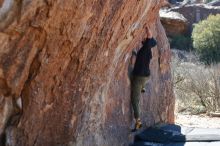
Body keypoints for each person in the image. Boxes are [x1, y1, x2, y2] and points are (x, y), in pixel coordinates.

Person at [131, 28, 157, 132]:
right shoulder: (148, 50)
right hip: (146, 76)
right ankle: (143, 88)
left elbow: (149, 35)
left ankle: (138, 122)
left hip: (139, 77)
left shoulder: (146, 47)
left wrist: (147, 28)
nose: (143, 39)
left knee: (134, 100)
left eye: (145, 39)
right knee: (136, 77)